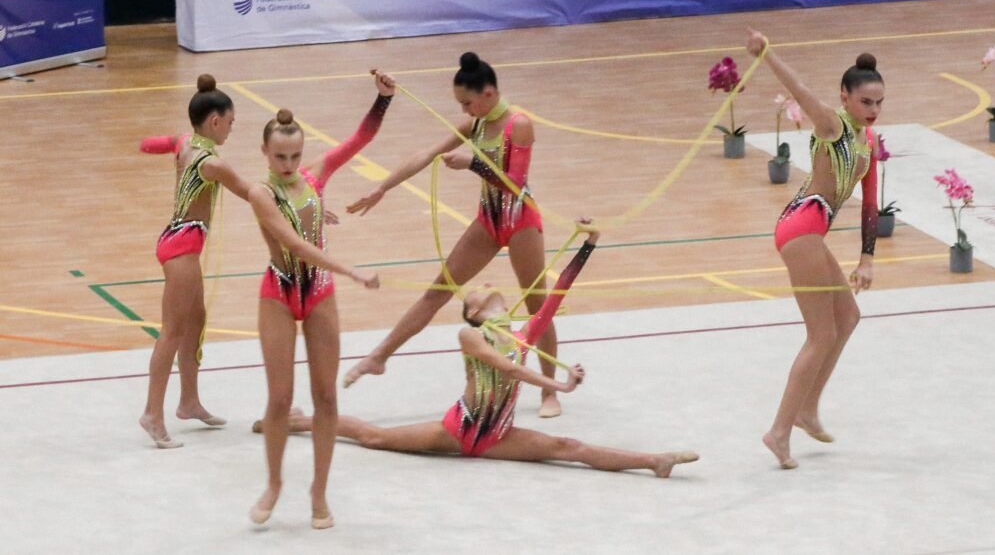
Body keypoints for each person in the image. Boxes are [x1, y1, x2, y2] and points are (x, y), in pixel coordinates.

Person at [259, 220, 699, 477]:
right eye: (476, 290)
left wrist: (588, 246)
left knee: (569, 447)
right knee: (374, 437)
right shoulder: (470, 337)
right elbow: (507, 370)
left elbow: (558, 292)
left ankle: (653, 461)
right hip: (459, 429)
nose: (485, 282)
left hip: (498, 437)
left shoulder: (523, 335)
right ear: (472, 312)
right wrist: (558, 386)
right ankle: (298, 421)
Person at [344, 52, 565, 418]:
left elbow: (514, 183)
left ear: (489, 94)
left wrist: (473, 163)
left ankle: (549, 391)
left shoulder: (519, 124)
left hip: (521, 222)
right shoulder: (476, 123)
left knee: (536, 306)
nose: (464, 110)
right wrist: (383, 187)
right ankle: (379, 356)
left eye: (467, 102)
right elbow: (426, 153)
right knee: (436, 292)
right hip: (489, 221)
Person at [247, 70, 394, 529]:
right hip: (279, 291)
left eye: (295, 155)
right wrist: (351, 270)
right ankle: (274, 483)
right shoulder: (260, 193)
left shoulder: (314, 177)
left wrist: (382, 99)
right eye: (279, 156)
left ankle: (319, 491)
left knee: (326, 397)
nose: (288, 164)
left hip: (318, 293)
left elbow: (359, 139)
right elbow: (293, 244)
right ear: (264, 152)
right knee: (280, 399)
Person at [746, 29, 881, 469]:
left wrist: (866, 258)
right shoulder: (831, 125)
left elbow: (871, 202)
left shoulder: (868, 141)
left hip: (811, 232)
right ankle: (779, 431)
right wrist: (766, 53)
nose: (873, 110)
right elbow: (798, 88)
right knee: (821, 335)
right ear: (845, 97)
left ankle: (807, 409)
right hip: (800, 227)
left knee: (849, 317)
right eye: (865, 102)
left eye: (879, 103)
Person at [138, 74, 253, 449]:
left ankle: (188, 401)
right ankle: (152, 414)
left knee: (195, 320)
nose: (232, 129)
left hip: (179, 240)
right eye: (231, 122)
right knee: (172, 331)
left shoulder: (186, 143)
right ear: (215, 121)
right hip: (182, 249)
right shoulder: (212, 164)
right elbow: (252, 193)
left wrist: (148, 144)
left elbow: (160, 143)